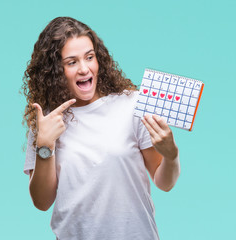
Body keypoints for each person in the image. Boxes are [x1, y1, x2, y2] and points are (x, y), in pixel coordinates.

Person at [21, 17, 180, 240]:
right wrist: (45, 146)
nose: (84, 69)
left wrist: (171, 156)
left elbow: (165, 183)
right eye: (71, 62)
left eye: (89, 57)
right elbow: (42, 201)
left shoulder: (132, 105)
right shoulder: (47, 120)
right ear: (54, 70)